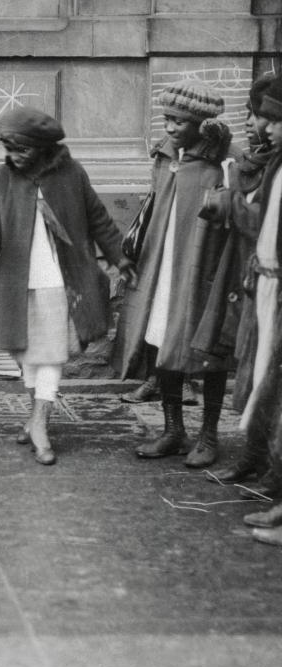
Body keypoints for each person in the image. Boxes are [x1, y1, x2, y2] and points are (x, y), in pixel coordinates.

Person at [0, 107, 133, 465]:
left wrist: (121, 258)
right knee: (26, 351)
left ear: (42, 146)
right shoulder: (2, 177)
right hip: (16, 278)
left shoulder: (71, 174)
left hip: (61, 277)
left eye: (21, 149)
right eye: (8, 148)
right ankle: (34, 417)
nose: (13, 156)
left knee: (52, 353)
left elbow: (98, 219)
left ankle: (41, 422)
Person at [117, 82, 242, 468]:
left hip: (204, 269)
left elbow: (236, 213)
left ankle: (208, 436)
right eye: (167, 119)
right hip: (162, 267)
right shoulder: (166, 155)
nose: (169, 128)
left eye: (178, 121)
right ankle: (174, 430)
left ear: (202, 124)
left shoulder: (225, 160)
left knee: (209, 351)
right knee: (161, 344)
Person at [199, 75, 277, 487]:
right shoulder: (257, 161)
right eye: (254, 115)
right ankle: (253, 454)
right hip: (252, 279)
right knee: (252, 366)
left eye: (263, 116)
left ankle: (266, 463)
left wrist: (229, 201)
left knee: (267, 372)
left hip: (270, 281)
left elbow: (259, 221)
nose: (257, 124)